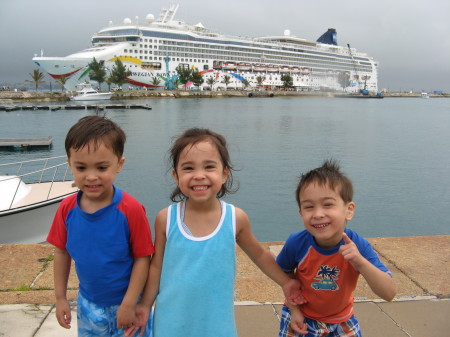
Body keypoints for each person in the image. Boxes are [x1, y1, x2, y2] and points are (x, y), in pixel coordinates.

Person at [126, 127, 304, 337]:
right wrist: (146, 304)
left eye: (209, 167)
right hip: (171, 319)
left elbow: (259, 254)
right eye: (188, 168)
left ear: (224, 173)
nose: (199, 176)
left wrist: (286, 282)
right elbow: (156, 266)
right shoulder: (166, 219)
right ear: (176, 176)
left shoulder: (235, 218)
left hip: (217, 321)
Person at [47, 115, 155, 336]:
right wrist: (60, 297)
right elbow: (62, 252)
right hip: (88, 303)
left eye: (102, 167)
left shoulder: (131, 209)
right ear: (70, 164)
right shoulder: (67, 209)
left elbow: (143, 258)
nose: (91, 177)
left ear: (119, 165)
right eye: (81, 168)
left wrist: (129, 303)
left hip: (127, 304)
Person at [276, 159, 396, 337]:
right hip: (303, 318)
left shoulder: (358, 246)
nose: (318, 214)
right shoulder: (297, 243)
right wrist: (294, 309)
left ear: (349, 210)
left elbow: (389, 293)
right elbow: (283, 274)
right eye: (309, 207)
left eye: (328, 204)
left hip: (342, 319)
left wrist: (360, 262)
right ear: (301, 213)